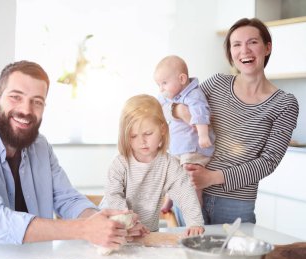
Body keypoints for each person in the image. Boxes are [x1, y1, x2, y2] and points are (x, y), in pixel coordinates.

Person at [0, 60, 147, 246]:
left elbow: (67, 199)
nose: (26, 110)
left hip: (29, 257)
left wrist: (106, 223)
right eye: (16, 97)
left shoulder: (40, 145)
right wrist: (84, 229)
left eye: (37, 101)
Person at [172, 18, 299, 225]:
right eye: (236, 44)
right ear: (230, 53)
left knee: (234, 257)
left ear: (267, 48)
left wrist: (211, 177)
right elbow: (172, 106)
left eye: (253, 42)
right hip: (189, 189)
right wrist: (180, 111)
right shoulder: (216, 84)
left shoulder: (284, 103)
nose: (244, 50)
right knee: (191, 256)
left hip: (235, 201)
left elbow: (268, 162)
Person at [101, 94, 204, 236]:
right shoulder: (120, 163)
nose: (142, 141)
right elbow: (113, 196)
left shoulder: (169, 165)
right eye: (133, 136)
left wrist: (195, 222)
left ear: (162, 129)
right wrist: (129, 223)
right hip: (117, 231)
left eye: (148, 133)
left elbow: (185, 193)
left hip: (148, 233)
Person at [154, 55, 215, 215]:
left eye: (164, 83)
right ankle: (169, 199)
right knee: (171, 172)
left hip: (194, 149)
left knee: (190, 179)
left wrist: (203, 135)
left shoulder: (194, 95)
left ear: (181, 79)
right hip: (178, 148)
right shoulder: (171, 96)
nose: (161, 89)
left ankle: (194, 210)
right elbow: (157, 107)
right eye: (159, 84)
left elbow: (201, 115)